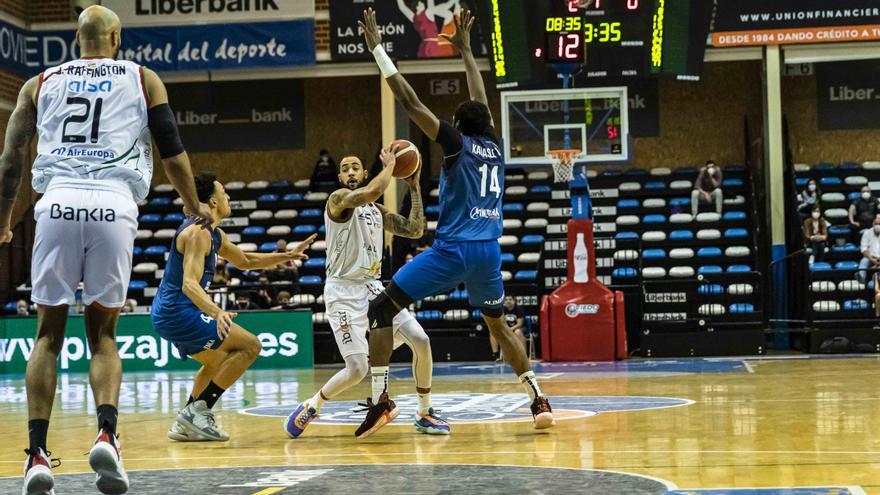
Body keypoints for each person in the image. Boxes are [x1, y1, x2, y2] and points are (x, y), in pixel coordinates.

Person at [0, 6, 215, 495]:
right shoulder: (144, 78)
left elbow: (11, 158)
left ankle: (36, 455)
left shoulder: (39, 83)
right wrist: (192, 204)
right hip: (114, 205)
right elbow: (171, 147)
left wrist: (4, 222)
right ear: (116, 38)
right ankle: (107, 436)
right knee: (103, 337)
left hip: (56, 203)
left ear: (77, 40)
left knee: (46, 338)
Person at [357, 8, 553, 438]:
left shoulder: (457, 142)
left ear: (458, 126)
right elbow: (480, 99)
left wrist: (377, 50)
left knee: (381, 308)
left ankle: (381, 399)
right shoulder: (495, 146)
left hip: (452, 251)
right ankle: (537, 397)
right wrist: (467, 51)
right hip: (488, 251)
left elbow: (410, 102)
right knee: (498, 324)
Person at [285, 149, 449, 439]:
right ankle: (313, 404)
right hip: (342, 292)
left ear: (362, 174)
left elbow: (414, 230)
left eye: (355, 168)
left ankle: (424, 411)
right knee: (358, 368)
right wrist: (390, 167)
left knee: (422, 340)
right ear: (340, 177)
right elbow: (374, 189)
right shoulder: (337, 200)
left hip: (373, 288)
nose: (350, 172)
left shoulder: (376, 211)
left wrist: (413, 187)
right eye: (345, 168)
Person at [152, 174, 315, 442]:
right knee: (251, 346)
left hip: (174, 312)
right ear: (213, 200)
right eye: (224, 191)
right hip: (177, 311)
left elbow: (246, 260)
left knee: (218, 362)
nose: (228, 197)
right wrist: (218, 313)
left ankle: (185, 421)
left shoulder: (214, 233)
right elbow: (189, 285)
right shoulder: (197, 232)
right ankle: (199, 411)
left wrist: (287, 256)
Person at [491, 295, 527, 363]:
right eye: (506, 300)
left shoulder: (518, 309)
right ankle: (496, 356)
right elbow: (500, 322)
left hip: (519, 328)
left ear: (514, 301)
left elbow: (519, 324)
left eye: (510, 299)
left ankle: (523, 356)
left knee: (518, 332)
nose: (508, 301)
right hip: (506, 329)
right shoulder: (502, 310)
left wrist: (509, 329)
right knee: (493, 332)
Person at [858, 218, 880, 282]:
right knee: (863, 262)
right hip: (870, 257)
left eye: (879, 224)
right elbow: (864, 249)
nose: (877, 226)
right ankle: (861, 278)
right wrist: (871, 259)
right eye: (876, 224)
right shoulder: (867, 233)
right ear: (873, 224)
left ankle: (878, 279)